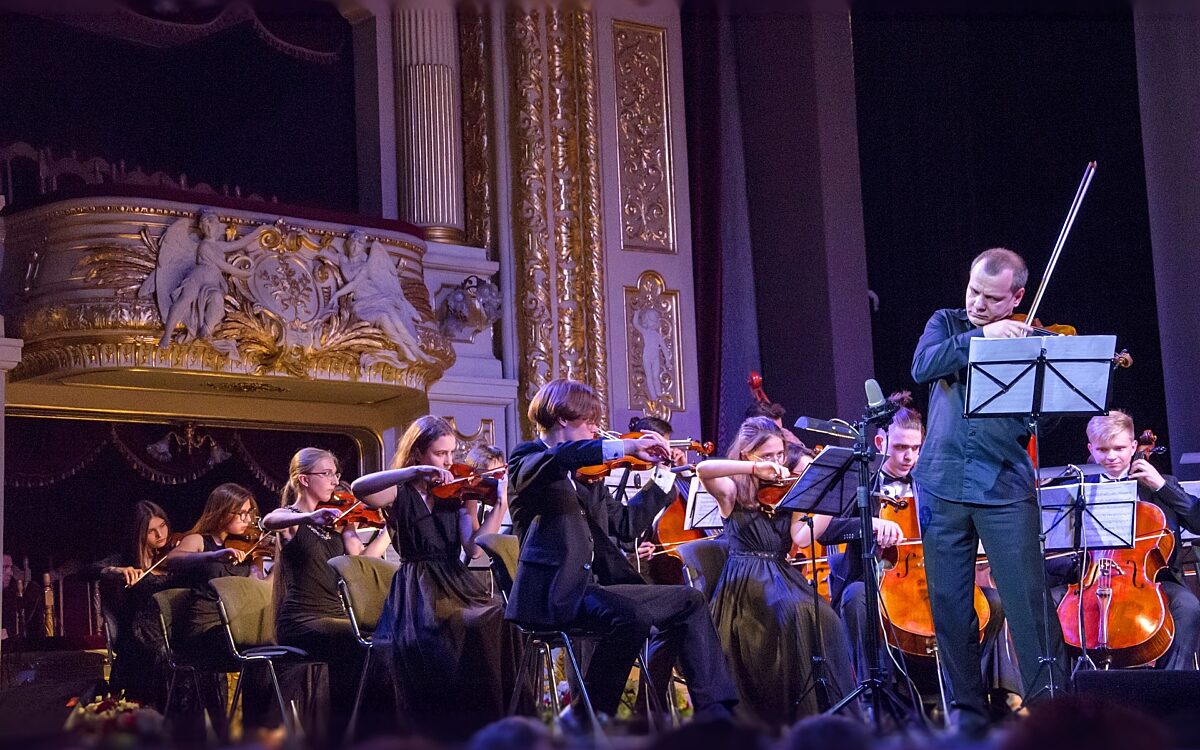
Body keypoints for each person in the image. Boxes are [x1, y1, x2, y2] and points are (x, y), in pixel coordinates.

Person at [506, 379, 737, 726]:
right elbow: (558, 460)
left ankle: (715, 714)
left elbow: (626, 524)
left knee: (689, 601)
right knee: (631, 617)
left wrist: (663, 476)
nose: (597, 430)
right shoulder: (527, 460)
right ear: (562, 419)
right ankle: (586, 717)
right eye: (589, 422)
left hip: (595, 589)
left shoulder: (587, 478)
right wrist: (623, 450)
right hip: (553, 592)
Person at [911, 247, 1068, 738]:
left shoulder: (1033, 341)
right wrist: (982, 335)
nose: (978, 302)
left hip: (1003, 485)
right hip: (940, 483)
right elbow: (923, 366)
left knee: (1028, 604)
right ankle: (966, 719)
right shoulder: (948, 323)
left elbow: (1054, 410)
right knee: (952, 608)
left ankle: (1053, 715)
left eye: (992, 298)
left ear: (1017, 297)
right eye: (973, 291)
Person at [352, 416, 518, 739]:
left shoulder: (456, 492)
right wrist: (412, 473)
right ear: (418, 454)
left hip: (455, 580)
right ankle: (448, 729)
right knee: (449, 628)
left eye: (452, 453)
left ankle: (490, 726)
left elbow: (473, 549)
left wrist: (499, 505)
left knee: (500, 616)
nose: (449, 462)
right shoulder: (398, 493)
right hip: (416, 589)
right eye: (441, 454)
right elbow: (360, 489)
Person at [695, 416, 858, 730]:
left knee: (824, 615)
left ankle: (830, 715)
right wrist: (754, 470)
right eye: (766, 456)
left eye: (779, 455)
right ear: (746, 455)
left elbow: (800, 538)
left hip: (781, 573)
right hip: (745, 581)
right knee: (790, 613)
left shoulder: (787, 491)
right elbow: (704, 470)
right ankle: (790, 717)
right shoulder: (731, 491)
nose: (777, 463)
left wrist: (823, 499)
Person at [262, 448, 392, 746]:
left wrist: (389, 529)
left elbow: (362, 561)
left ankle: (366, 734)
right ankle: (345, 737)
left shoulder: (337, 521)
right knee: (360, 643)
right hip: (300, 620)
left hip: (334, 617)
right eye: (327, 473)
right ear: (304, 480)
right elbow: (270, 519)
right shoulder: (294, 519)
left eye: (336, 473)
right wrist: (311, 516)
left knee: (381, 642)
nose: (335, 481)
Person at [1051, 410, 1200, 670]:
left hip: (1150, 582)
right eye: (1102, 449)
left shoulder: (1160, 485)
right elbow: (1054, 552)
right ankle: (1063, 698)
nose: (1111, 457)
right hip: (1089, 581)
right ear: (1091, 449)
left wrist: (1160, 487)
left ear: (1133, 446)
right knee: (1046, 606)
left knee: (1188, 606)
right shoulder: (1079, 490)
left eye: (1119, 448)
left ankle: (1172, 694)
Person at [166, 483, 271, 739]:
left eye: (250, 513)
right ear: (223, 512)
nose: (248, 520)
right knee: (257, 655)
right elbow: (173, 560)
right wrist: (212, 556)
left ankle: (255, 733)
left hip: (236, 627)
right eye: (241, 513)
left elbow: (260, 589)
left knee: (267, 656)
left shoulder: (250, 549)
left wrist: (280, 568)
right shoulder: (199, 541)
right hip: (203, 629)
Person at [90, 501, 177, 707]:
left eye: (163, 526)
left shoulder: (177, 556)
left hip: (173, 629)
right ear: (139, 534)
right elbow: (87, 570)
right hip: (141, 636)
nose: (160, 535)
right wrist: (115, 571)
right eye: (151, 531)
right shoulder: (125, 560)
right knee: (162, 653)